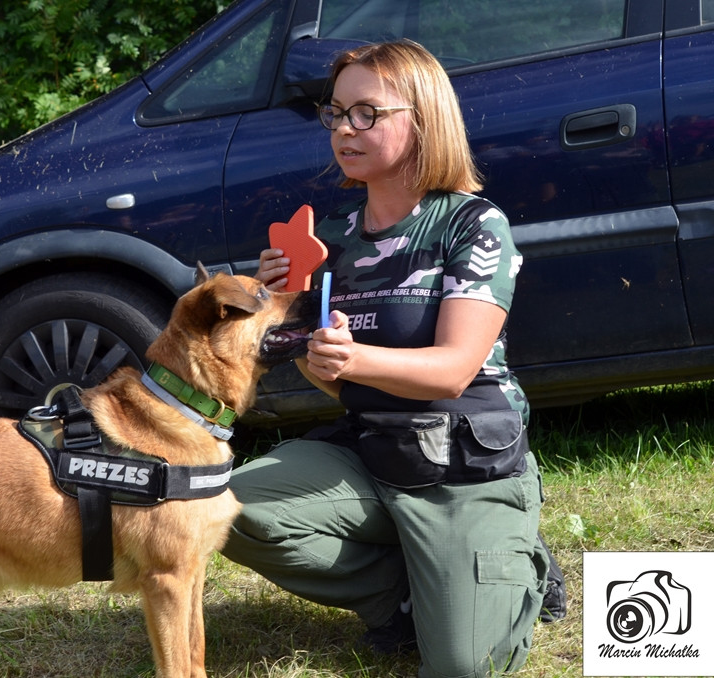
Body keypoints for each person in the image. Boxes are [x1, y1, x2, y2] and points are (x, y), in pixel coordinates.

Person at [222, 40, 564, 678]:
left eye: (367, 113)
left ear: (424, 120)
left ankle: (523, 568)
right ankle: (402, 599)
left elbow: (455, 370)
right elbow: (336, 381)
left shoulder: (472, 224)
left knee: (461, 665)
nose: (345, 128)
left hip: (460, 463)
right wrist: (296, 325)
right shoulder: (335, 239)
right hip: (373, 450)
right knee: (225, 509)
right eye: (337, 113)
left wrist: (354, 359)